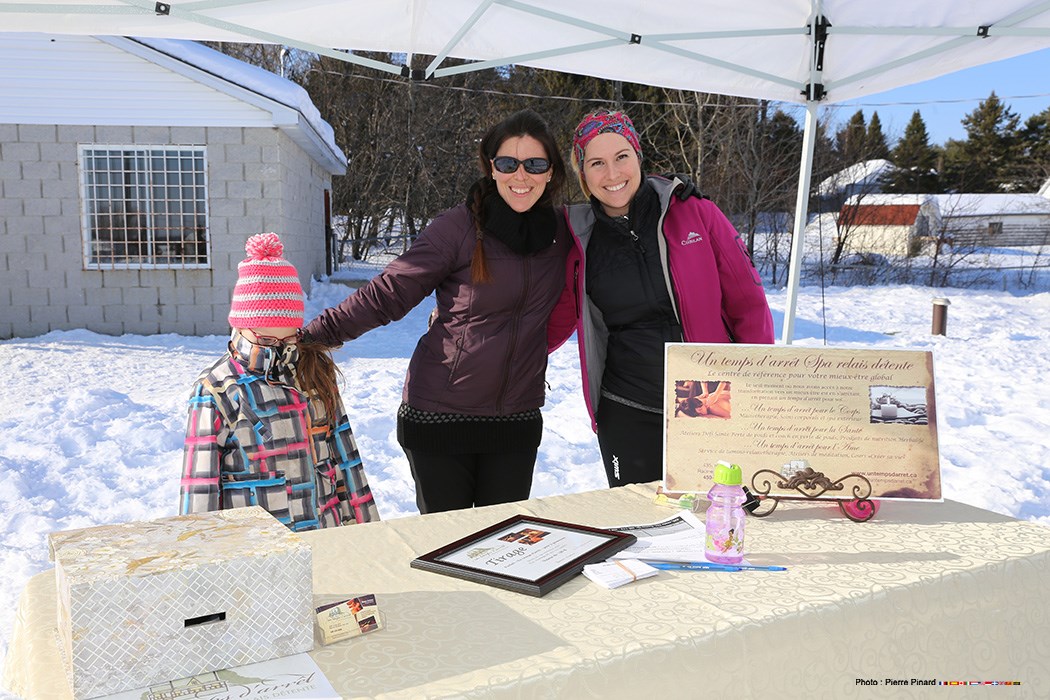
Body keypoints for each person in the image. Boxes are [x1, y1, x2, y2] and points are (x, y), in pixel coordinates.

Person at [300, 109, 571, 514]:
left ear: (550, 172)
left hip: (516, 420)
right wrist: (311, 336)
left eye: (534, 164)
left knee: (503, 547)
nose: (521, 175)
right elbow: (389, 292)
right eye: (507, 163)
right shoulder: (459, 227)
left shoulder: (563, 234)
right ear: (491, 168)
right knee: (450, 551)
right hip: (442, 417)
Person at [559, 108, 775, 488]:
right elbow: (540, 301)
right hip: (626, 401)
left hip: (703, 392)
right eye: (596, 162)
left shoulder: (694, 213)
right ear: (582, 173)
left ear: (638, 158)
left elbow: (748, 302)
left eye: (621, 157)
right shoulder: (578, 238)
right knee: (644, 523)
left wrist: (755, 384)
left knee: (714, 511)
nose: (612, 174)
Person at [179, 232, 380, 530]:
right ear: (241, 326)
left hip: (325, 535)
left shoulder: (313, 372)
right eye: (267, 339)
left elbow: (347, 460)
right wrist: (203, 557)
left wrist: (365, 531)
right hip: (258, 552)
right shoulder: (217, 391)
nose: (279, 349)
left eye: (289, 338)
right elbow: (200, 489)